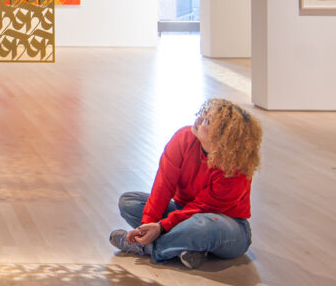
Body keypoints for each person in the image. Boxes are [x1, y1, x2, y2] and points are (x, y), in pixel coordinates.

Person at [110, 98, 262, 269]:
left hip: (224, 225)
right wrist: (147, 224)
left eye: (207, 121)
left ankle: (145, 247)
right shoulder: (184, 138)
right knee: (129, 202)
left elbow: (200, 208)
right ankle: (188, 247)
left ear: (222, 139)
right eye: (204, 114)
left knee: (201, 225)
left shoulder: (235, 171)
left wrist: (161, 227)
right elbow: (163, 186)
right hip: (183, 212)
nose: (198, 119)